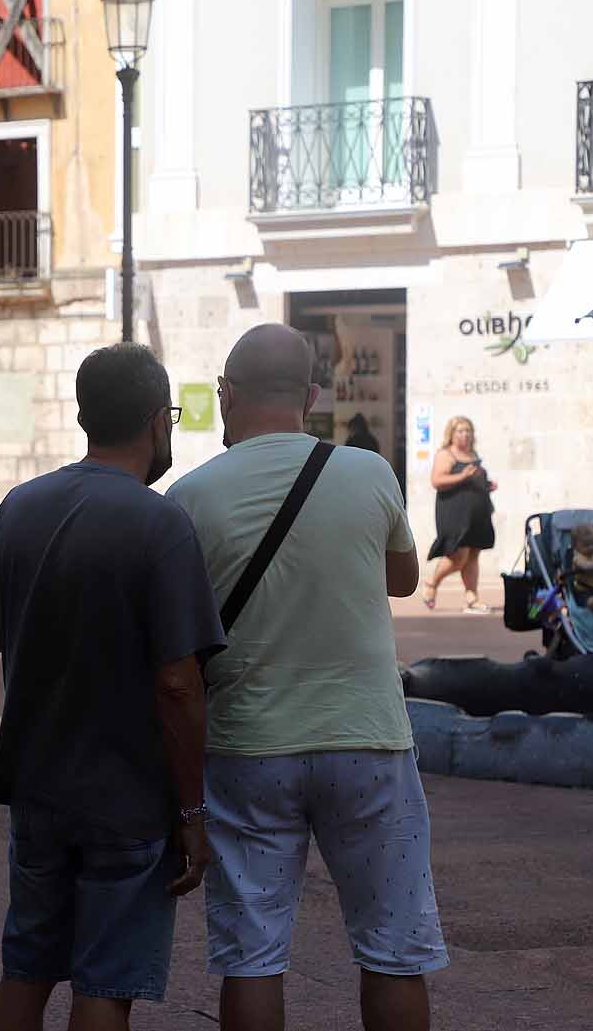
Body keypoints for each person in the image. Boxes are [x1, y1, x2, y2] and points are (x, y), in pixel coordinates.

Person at [168, 323, 447, 1031]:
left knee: (253, 955)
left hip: (248, 746)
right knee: (393, 950)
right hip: (369, 742)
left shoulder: (189, 497)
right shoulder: (369, 471)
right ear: (313, 396)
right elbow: (404, 578)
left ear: (225, 395)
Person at [0, 342, 224, 1031]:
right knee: (104, 982)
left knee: (26, 968)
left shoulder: (19, 505)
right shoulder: (160, 522)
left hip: (35, 782)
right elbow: (177, 680)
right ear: (155, 421)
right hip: (127, 795)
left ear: (84, 417)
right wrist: (193, 814)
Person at [421, 415, 497, 613]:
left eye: (468, 431)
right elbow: (437, 481)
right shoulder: (445, 454)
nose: (465, 435)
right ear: (452, 434)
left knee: (473, 553)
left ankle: (472, 597)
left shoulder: (472, 454)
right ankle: (431, 583)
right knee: (459, 554)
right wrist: (462, 476)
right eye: (460, 431)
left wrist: (487, 485)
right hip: (454, 512)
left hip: (477, 512)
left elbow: (474, 479)